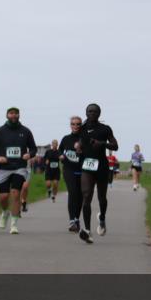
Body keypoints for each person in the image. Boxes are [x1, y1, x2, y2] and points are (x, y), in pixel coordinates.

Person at [0, 107, 37, 234]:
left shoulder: (25, 131)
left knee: (15, 193)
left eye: (16, 113)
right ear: (7, 115)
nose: (14, 115)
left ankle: (14, 224)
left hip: (19, 167)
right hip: (3, 168)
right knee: (3, 197)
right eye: (11, 113)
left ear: (19, 115)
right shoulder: (0, 131)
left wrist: (29, 155)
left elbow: (33, 149)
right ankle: (5, 212)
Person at [74, 103, 118, 243]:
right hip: (87, 166)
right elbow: (80, 142)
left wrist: (102, 144)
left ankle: (102, 218)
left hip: (102, 167)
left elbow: (115, 146)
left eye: (94, 111)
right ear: (86, 113)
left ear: (99, 114)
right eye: (89, 111)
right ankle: (87, 231)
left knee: (102, 198)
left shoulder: (105, 129)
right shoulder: (82, 129)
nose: (92, 113)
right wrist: (78, 148)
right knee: (86, 196)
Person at [59, 117, 84, 232]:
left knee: (80, 196)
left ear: (81, 125)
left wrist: (81, 151)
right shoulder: (66, 139)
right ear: (70, 125)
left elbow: (92, 152)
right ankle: (71, 221)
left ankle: (76, 219)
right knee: (73, 192)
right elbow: (60, 150)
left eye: (78, 124)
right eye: (73, 124)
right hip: (68, 169)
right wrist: (61, 156)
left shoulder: (85, 139)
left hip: (82, 170)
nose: (75, 126)